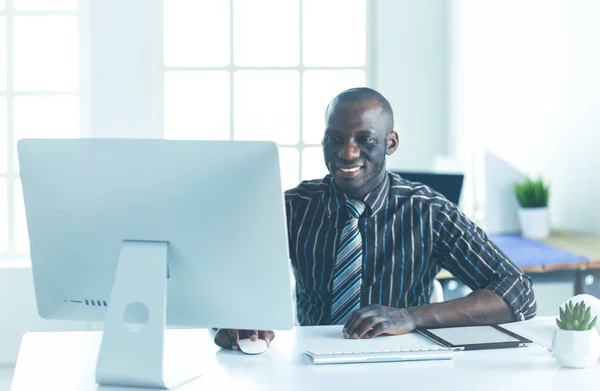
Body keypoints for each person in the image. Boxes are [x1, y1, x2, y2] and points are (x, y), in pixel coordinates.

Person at [214, 87, 536, 350]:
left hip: (402, 364)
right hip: (311, 363)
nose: (348, 153)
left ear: (390, 143)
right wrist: (239, 321)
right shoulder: (293, 207)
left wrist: (411, 317)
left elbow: (519, 294)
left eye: (364, 140)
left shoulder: (429, 211)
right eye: (335, 139)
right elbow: (229, 279)